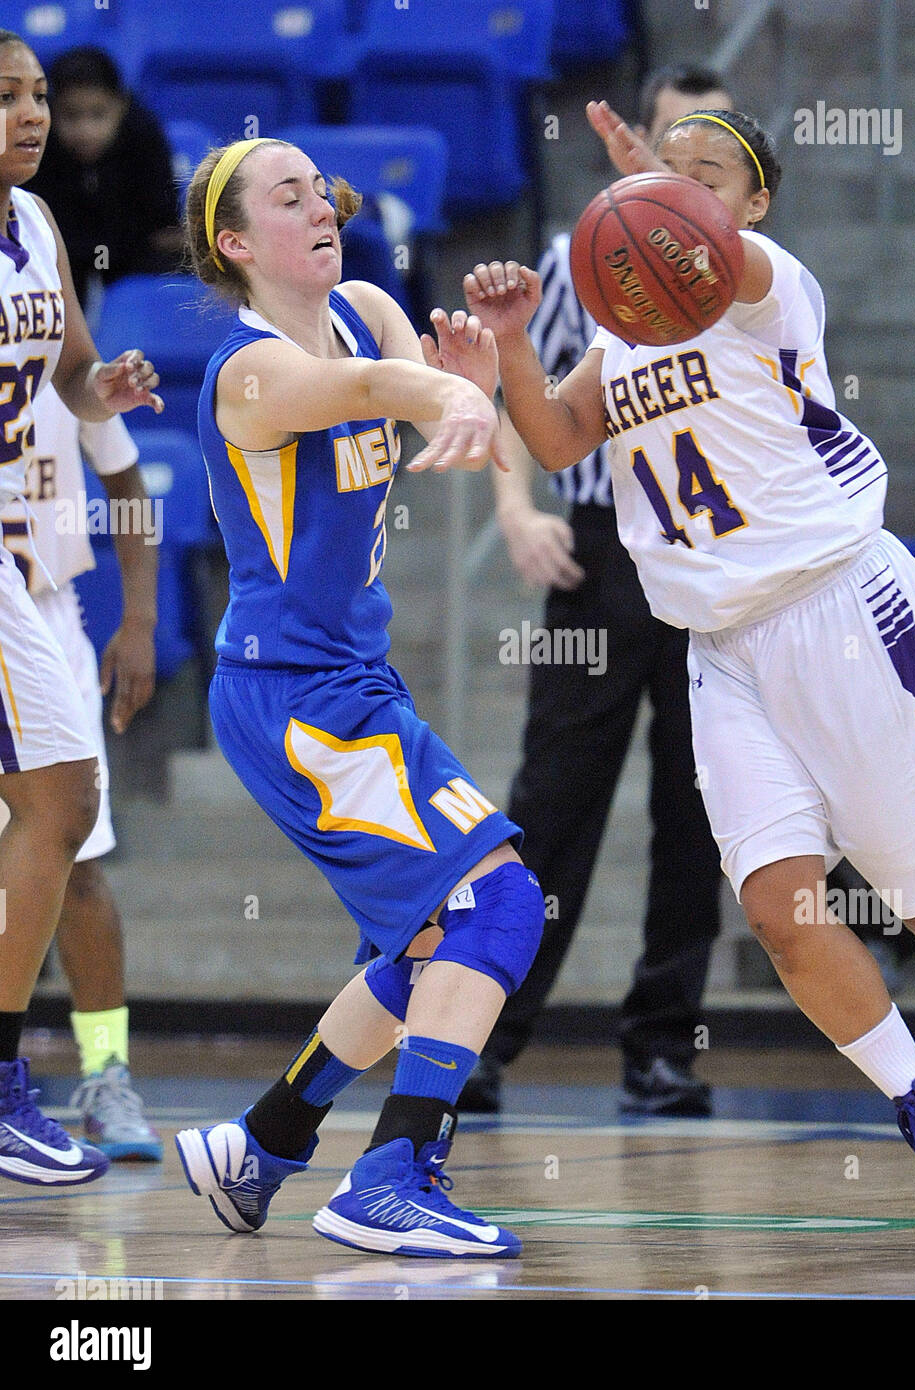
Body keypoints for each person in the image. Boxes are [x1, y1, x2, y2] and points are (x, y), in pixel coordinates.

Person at [448, 101, 915, 1222]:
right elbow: (555, 441)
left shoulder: (766, 287)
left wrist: (654, 183)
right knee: (780, 911)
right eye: (668, 168)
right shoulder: (624, 329)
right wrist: (511, 339)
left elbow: (696, 244)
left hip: (843, 610)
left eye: (710, 173)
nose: (680, 183)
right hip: (719, 646)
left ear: (751, 205)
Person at [172, 137, 546, 1258]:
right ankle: (391, 1173)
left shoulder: (369, 305)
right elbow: (387, 390)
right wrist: (443, 391)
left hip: (346, 682)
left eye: (320, 187)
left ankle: (265, 1142)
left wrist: (479, 411)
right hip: (291, 700)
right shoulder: (249, 373)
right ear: (236, 244)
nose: (320, 201)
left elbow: (440, 401)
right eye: (285, 196)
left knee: (436, 926)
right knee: (502, 907)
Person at [462, 65, 735, 1119]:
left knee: (698, 807)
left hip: (708, 559)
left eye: (700, 149)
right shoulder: (586, 257)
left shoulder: (750, 278)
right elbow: (498, 376)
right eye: (664, 140)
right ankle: (479, 1035)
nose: (674, 162)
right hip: (601, 549)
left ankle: (662, 1049)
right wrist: (513, 513)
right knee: (549, 806)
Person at [0, 30, 163, 1188]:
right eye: (4, 96)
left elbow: (71, 376)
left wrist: (93, 387)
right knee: (59, 809)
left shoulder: (40, 227)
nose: (32, 114)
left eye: (39, 95)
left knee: (70, 827)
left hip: (38, 581)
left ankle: (84, 1072)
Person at [0, 382, 162, 1160]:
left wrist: (140, 619)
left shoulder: (70, 365)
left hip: (48, 615)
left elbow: (127, 482)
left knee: (80, 862)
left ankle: (105, 1074)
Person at [27, 46, 181, 310]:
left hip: (133, 259)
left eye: (98, 114)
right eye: (71, 115)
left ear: (120, 105)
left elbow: (160, 224)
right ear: (51, 109)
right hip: (59, 260)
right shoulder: (35, 144)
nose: (85, 131)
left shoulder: (144, 135)